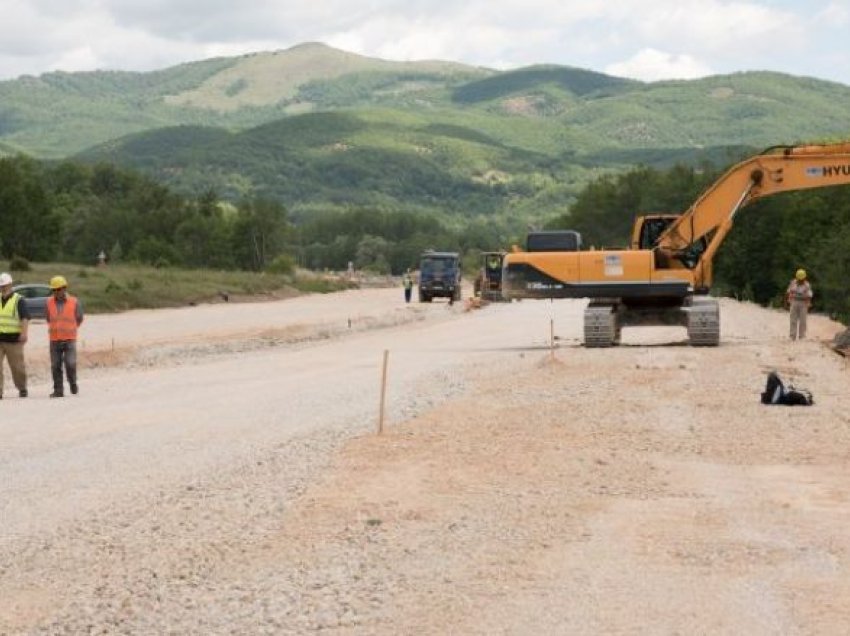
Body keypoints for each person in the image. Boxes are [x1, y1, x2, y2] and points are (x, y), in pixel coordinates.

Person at [45, 275, 84, 397]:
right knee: (55, 365)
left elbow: (79, 318)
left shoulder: (74, 302)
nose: (56, 292)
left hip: (69, 339)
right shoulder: (48, 302)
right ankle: (58, 390)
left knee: (70, 364)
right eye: (54, 290)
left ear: (64, 288)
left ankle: (73, 383)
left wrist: (70, 328)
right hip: (54, 339)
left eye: (58, 289)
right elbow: (48, 318)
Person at [0, 272, 30, 399]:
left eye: (5, 285)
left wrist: (24, 333)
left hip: (14, 340)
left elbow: (25, 318)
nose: (3, 288)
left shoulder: (19, 300)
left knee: (17, 367)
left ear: (10, 284)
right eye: (1, 286)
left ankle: (22, 388)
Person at [786, 268, 813, 341]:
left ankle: (802, 336)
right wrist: (789, 299)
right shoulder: (793, 283)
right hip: (794, 301)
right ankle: (792, 336)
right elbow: (789, 292)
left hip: (803, 302)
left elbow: (809, 295)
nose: (801, 280)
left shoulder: (807, 285)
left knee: (803, 320)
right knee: (793, 319)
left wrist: (808, 303)